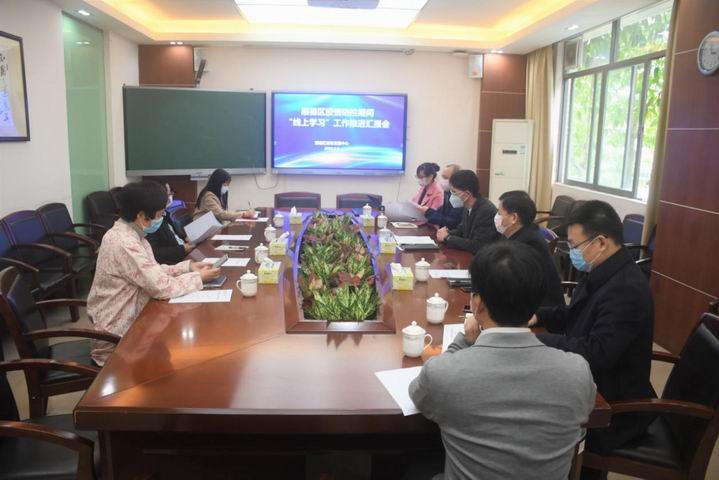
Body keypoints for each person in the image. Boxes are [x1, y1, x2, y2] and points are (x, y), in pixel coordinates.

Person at [409, 242, 596, 480]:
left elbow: (418, 395)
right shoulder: (577, 371)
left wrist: (463, 341)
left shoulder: (444, 372)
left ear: (477, 303)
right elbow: (585, 408)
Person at [531, 200, 655, 462]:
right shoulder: (602, 269)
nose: (572, 252)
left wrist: (538, 340)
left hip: (613, 407)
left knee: (531, 418)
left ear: (600, 242)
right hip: (592, 381)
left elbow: (597, 352)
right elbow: (575, 313)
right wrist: (537, 316)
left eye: (575, 245)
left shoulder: (626, 288)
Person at [88, 181, 220, 366]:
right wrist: (198, 278)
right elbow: (161, 287)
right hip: (118, 341)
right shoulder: (125, 243)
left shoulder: (131, 234)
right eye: (159, 214)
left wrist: (188, 268)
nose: (162, 218)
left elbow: (152, 270)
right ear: (142, 215)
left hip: (132, 322)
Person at [496, 190, 564, 307]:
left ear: (514, 218)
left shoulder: (530, 242)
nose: (496, 217)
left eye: (499, 213)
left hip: (540, 310)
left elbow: (514, 284)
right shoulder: (511, 234)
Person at [435, 170, 500, 253]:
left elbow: (478, 245)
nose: (451, 195)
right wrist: (446, 233)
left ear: (467, 194)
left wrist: (447, 237)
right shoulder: (467, 205)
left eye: (454, 192)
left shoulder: (486, 211)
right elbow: (462, 230)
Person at [146, 198, 195, 265]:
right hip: (174, 261)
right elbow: (156, 254)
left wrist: (186, 238)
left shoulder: (166, 214)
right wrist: (182, 249)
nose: (170, 198)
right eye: (168, 194)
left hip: (184, 250)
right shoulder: (151, 225)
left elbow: (176, 234)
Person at [418, 164, 463, 229]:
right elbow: (439, 214)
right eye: (442, 177)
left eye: (445, 178)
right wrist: (427, 211)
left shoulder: (458, 199)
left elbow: (450, 222)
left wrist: (428, 212)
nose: (443, 181)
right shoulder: (446, 193)